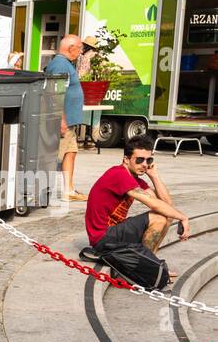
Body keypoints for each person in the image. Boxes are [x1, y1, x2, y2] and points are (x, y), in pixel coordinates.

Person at [86, 137, 189, 275]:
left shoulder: (135, 179)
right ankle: (146, 268)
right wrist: (183, 217)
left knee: (167, 215)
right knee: (159, 218)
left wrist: (154, 176)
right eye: (139, 160)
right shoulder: (119, 174)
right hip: (103, 238)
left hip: (113, 233)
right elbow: (152, 203)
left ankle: (151, 264)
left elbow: (167, 205)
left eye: (149, 160)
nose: (145, 164)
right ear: (126, 159)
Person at [45, 34, 87, 201]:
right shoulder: (60, 65)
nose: (81, 52)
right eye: (80, 48)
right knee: (56, 156)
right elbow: (55, 94)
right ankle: (37, 189)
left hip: (70, 121)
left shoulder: (65, 64)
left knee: (70, 152)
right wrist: (61, 120)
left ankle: (68, 190)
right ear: (71, 48)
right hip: (63, 120)